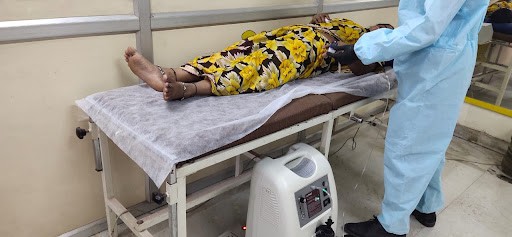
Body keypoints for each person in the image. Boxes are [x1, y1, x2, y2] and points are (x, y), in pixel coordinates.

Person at [326, 1, 489, 237]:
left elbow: (427, 26)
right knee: (432, 140)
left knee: (409, 144)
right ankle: (426, 206)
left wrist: (362, 50)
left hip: (435, 64)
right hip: (451, 58)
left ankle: (391, 226)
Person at [124, 14, 393, 101]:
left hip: (310, 52)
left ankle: (191, 89)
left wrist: (348, 50)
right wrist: (318, 20)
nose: (380, 31)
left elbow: (362, 70)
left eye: (386, 33)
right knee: (238, 51)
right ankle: (169, 73)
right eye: (382, 27)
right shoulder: (351, 22)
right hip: (293, 33)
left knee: (261, 67)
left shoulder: (372, 46)